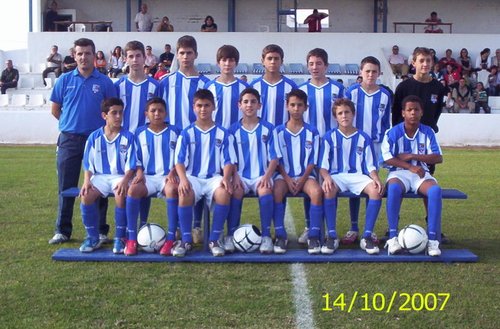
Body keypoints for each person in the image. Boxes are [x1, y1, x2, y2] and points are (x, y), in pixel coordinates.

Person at [49, 38, 117, 245]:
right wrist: (71, 124)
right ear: (74, 55)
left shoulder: (104, 82)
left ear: (94, 55)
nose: (83, 57)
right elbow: (55, 109)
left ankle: (101, 230)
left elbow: (111, 112)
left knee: (100, 185)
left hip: (97, 140)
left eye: (87, 53)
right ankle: (63, 230)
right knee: (66, 185)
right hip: (69, 139)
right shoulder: (64, 80)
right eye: (79, 53)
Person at [391, 47, 448, 243]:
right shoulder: (404, 87)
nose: (425, 64)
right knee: (397, 184)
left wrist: (429, 130)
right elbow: (395, 115)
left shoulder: (438, 88)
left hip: (425, 142)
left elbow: (437, 113)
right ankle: (392, 226)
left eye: (428, 60)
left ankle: (433, 226)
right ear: (413, 63)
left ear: (432, 63)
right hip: (404, 141)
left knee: (427, 180)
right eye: (421, 60)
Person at [159, 35, 210, 244]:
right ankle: (179, 227)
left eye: (189, 53)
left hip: (198, 140)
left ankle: (196, 224)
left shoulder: (205, 84)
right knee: (175, 182)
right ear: (176, 55)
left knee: (195, 179)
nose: (186, 57)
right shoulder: (166, 82)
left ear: (195, 55)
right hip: (172, 140)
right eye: (182, 53)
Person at [174, 89, 237, 257]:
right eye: (199, 106)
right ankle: (186, 240)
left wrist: (225, 178)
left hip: (214, 178)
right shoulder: (186, 133)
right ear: (193, 107)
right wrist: (183, 179)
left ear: (213, 107)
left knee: (224, 193)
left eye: (207, 105)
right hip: (192, 176)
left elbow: (228, 160)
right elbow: (179, 161)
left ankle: (214, 239)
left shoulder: (223, 133)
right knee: (184, 191)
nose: (203, 109)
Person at [319, 98, 383, 255]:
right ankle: (332, 236)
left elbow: (370, 165)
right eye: (340, 113)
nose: (344, 116)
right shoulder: (329, 137)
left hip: (358, 176)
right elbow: (322, 165)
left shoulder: (364, 137)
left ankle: (367, 236)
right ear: (335, 117)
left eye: (347, 112)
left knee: (376, 191)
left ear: (353, 114)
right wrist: (326, 177)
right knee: (328, 190)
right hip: (337, 176)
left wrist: (375, 177)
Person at [382, 95, 443, 257]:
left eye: (416, 109)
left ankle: (432, 241)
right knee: (394, 189)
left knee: (435, 191)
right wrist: (409, 166)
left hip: (420, 173)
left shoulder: (428, 132)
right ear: (403, 113)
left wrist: (412, 156)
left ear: (422, 112)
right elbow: (387, 158)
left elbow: (438, 157)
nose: (413, 113)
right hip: (399, 173)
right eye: (409, 110)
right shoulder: (393, 132)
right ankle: (393, 237)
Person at [297, 47, 344, 245]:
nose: (314, 67)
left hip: (332, 146)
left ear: (326, 66)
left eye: (318, 63)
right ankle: (310, 226)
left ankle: (332, 228)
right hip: (308, 146)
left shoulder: (338, 89)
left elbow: (344, 115)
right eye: (311, 64)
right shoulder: (301, 90)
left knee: (331, 185)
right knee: (311, 185)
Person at [343, 56, 391, 246]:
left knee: (372, 184)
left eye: (374, 71)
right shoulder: (352, 92)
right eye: (367, 71)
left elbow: (386, 123)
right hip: (354, 144)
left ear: (379, 73)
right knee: (354, 183)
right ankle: (353, 227)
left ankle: (368, 230)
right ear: (360, 73)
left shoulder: (385, 95)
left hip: (375, 144)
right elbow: (343, 117)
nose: (370, 75)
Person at [79, 98, 136, 253]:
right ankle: (92, 237)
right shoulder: (94, 137)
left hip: (120, 176)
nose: (118, 116)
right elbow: (88, 163)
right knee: (86, 195)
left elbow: (132, 164)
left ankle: (119, 238)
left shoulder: (128, 137)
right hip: (100, 176)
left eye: (120, 113)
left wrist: (125, 180)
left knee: (120, 194)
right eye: (114, 113)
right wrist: (86, 181)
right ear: (104, 115)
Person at [229, 88, 281, 254]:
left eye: (253, 102)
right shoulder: (232, 130)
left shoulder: (269, 128)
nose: (249, 105)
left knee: (265, 190)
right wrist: (235, 176)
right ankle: (231, 234)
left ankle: (266, 236)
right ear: (239, 105)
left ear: (259, 105)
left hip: (261, 174)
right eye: (245, 102)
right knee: (235, 191)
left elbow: (274, 158)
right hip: (241, 175)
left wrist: (267, 175)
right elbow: (230, 158)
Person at [115, 40, 161, 229]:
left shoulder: (155, 86)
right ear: (126, 59)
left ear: (145, 58)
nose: (134, 60)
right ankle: (125, 229)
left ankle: (142, 225)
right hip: (124, 142)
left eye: (138, 56)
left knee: (142, 182)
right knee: (123, 186)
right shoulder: (118, 85)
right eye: (131, 56)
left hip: (146, 142)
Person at [127, 97, 180, 256]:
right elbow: (135, 157)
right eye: (153, 111)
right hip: (147, 177)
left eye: (160, 110)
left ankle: (170, 239)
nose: (157, 114)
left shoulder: (175, 132)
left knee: (172, 190)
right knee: (133, 191)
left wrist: (173, 172)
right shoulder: (139, 132)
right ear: (146, 114)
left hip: (167, 177)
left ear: (166, 113)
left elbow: (181, 157)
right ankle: (131, 239)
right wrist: (139, 172)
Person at [273, 89, 322, 254]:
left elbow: (312, 161)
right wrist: (287, 179)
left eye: (299, 105)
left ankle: (313, 235)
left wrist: (302, 179)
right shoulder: (278, 131)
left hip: (306, 176)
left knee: (316, 192)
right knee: (277, 190)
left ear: (305, 107)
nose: (296, 108)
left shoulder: (312, 131)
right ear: (287, 106)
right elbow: (277, 160)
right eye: (292, 105)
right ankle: (280, 235)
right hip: (284, 175)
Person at [250, 44, 298, 127]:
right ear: (263, 61)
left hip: (283, 134)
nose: (273, 62)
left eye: (276, 59)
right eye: (269, 58)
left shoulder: (291, 86)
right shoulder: (253, 86)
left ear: (281, 61)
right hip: (259, 133)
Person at [204, 45, 249, 129]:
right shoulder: (209, 86)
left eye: (231, 60)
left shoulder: (245, 87)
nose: (227, 64)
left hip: (238, 134)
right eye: (224, 60)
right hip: (215, 134)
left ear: (236, 63)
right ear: (218, 63)